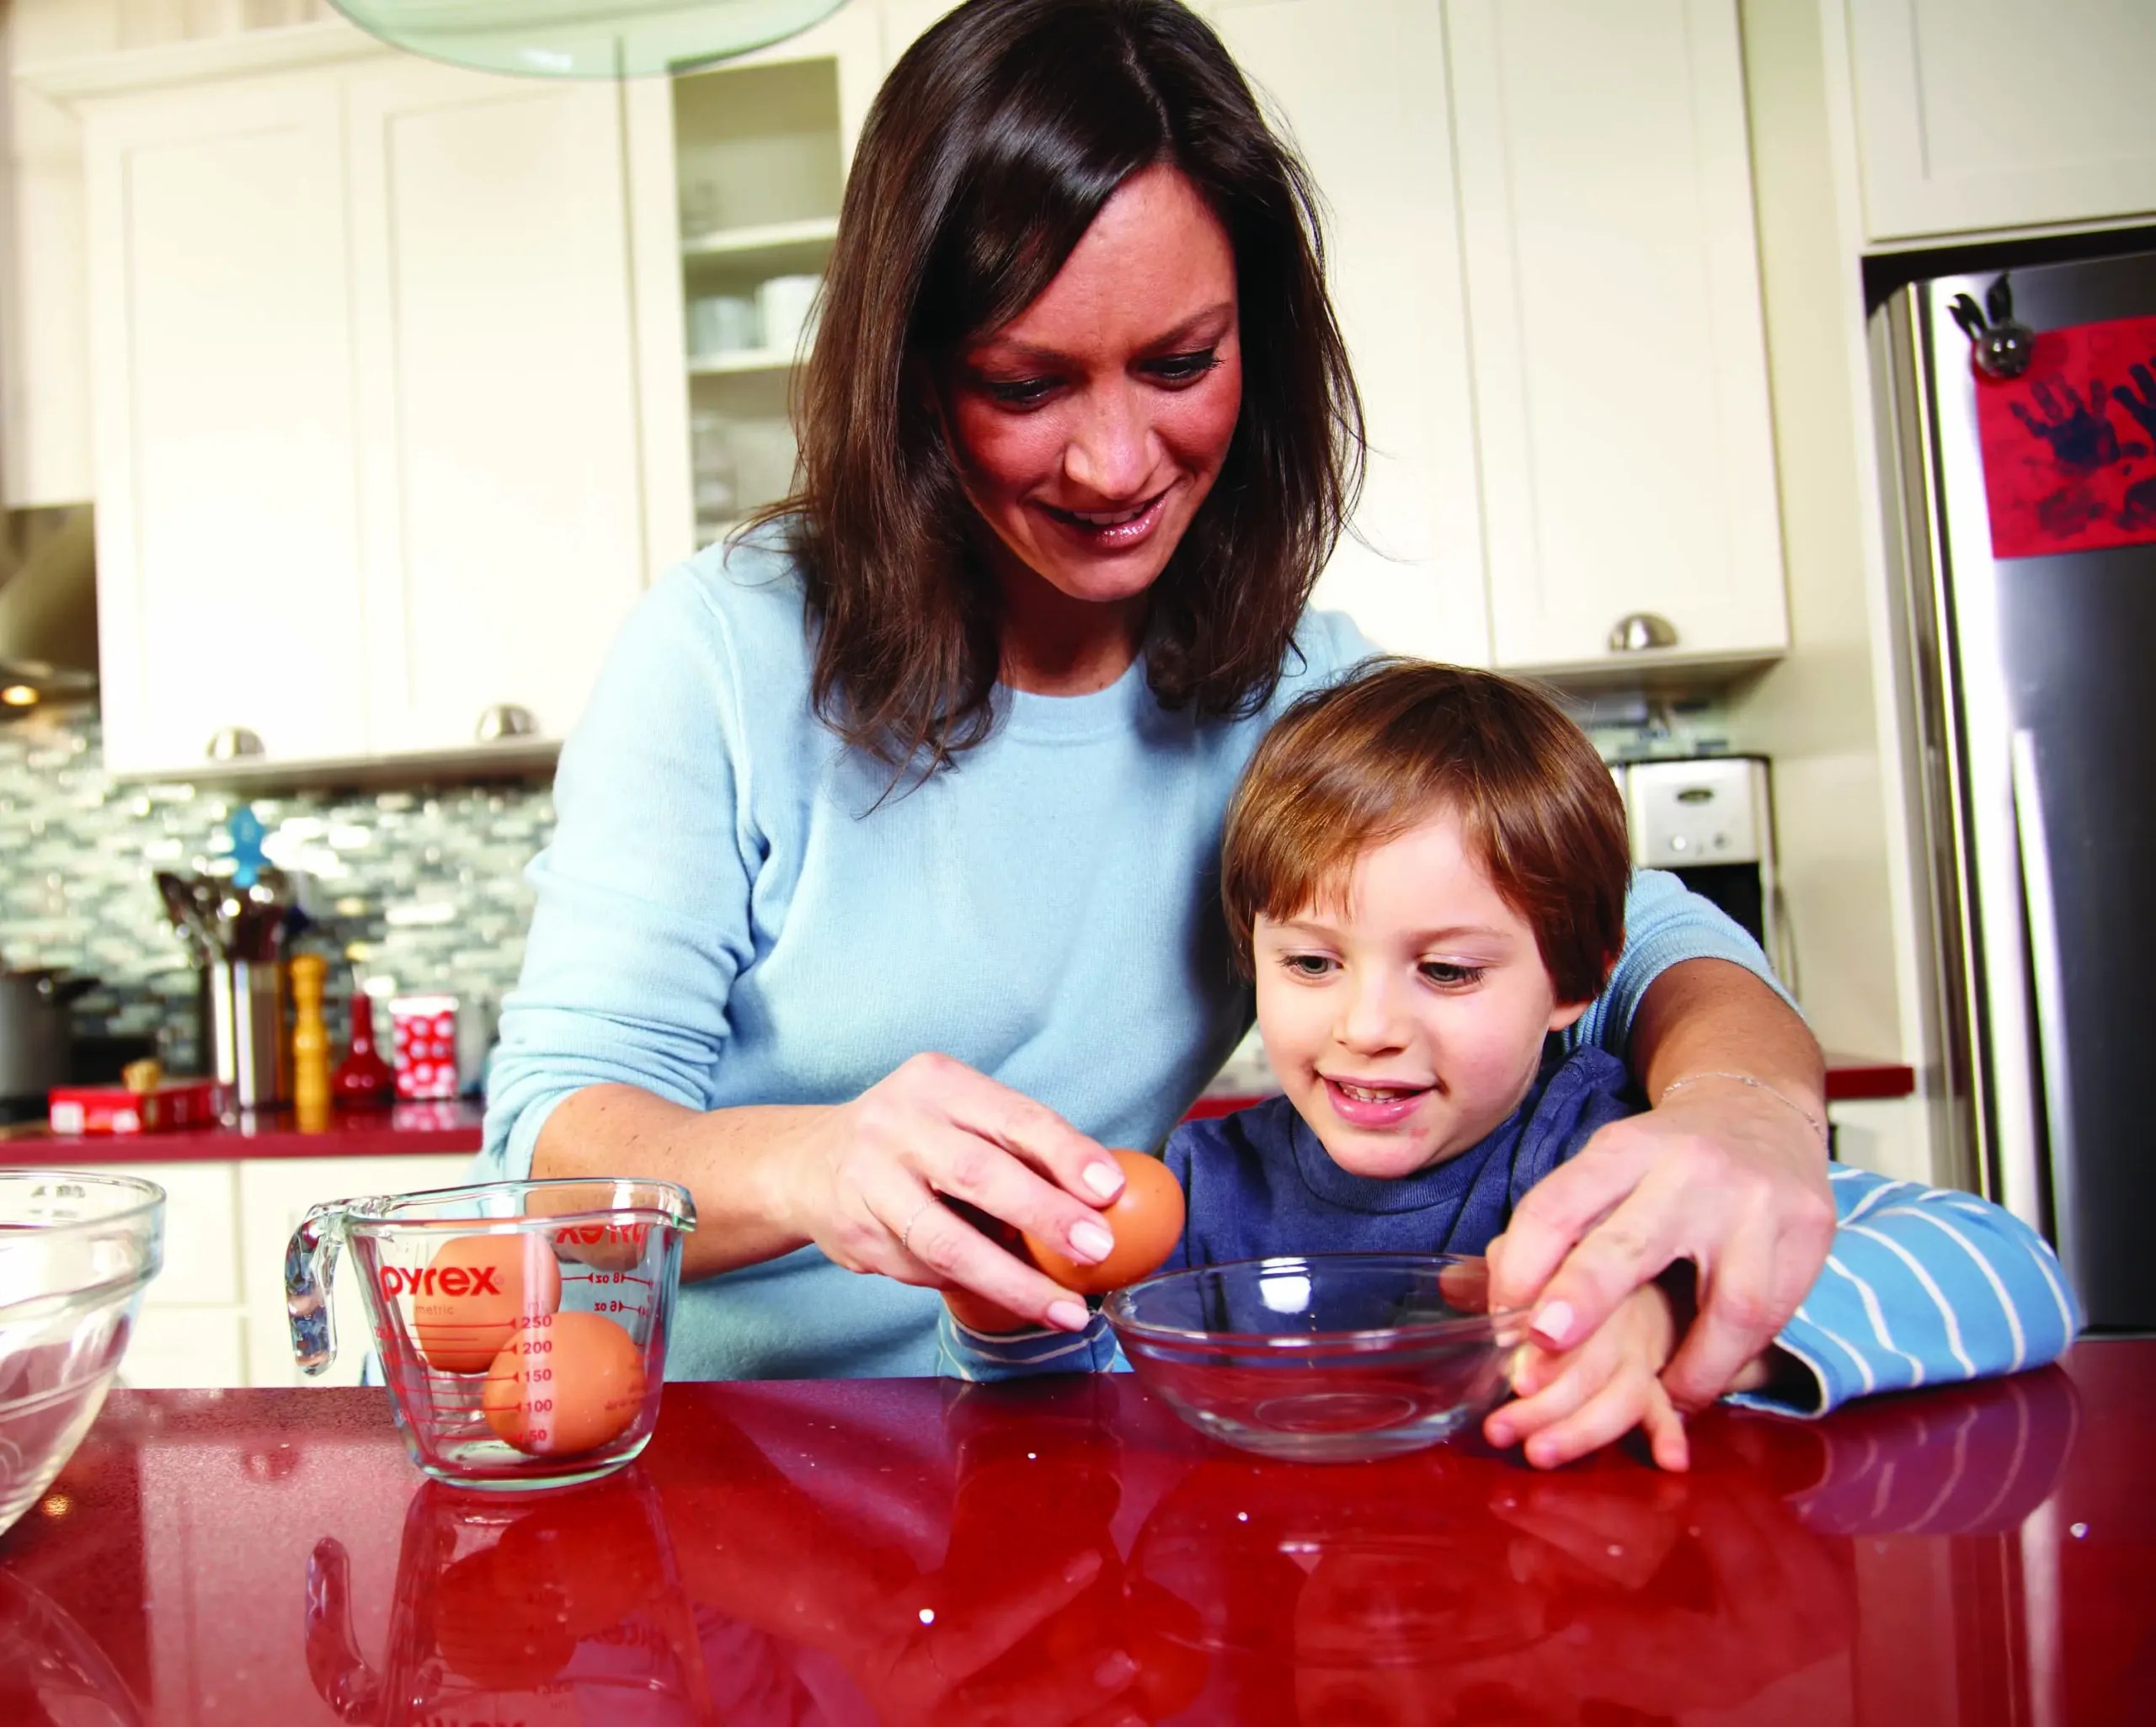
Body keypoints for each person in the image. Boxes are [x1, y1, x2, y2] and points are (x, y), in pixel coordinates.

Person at [483, 0, 1837, 1390]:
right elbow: (544, 1159)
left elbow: (1637, 939)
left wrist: (1751, 1119)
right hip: (735, 1446)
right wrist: (815, 1161)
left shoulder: (1293, 687)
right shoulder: (723, 652)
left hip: (1066, 1433)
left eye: (1182, 364)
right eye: (1026, 384)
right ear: (912, 378)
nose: (1117, 463)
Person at [939, 663, 2080, 1468]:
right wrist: (1003, 1300)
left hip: (1559, 1611)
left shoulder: (1607, 1157)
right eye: (1312, 961)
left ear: (1578, 981)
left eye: (1445, 972)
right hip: (1278, 1619)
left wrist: (1675, 1307)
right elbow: (1071, 1428)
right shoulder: (1206, 1187)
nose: (1367, 1026)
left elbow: (2009, 1270)